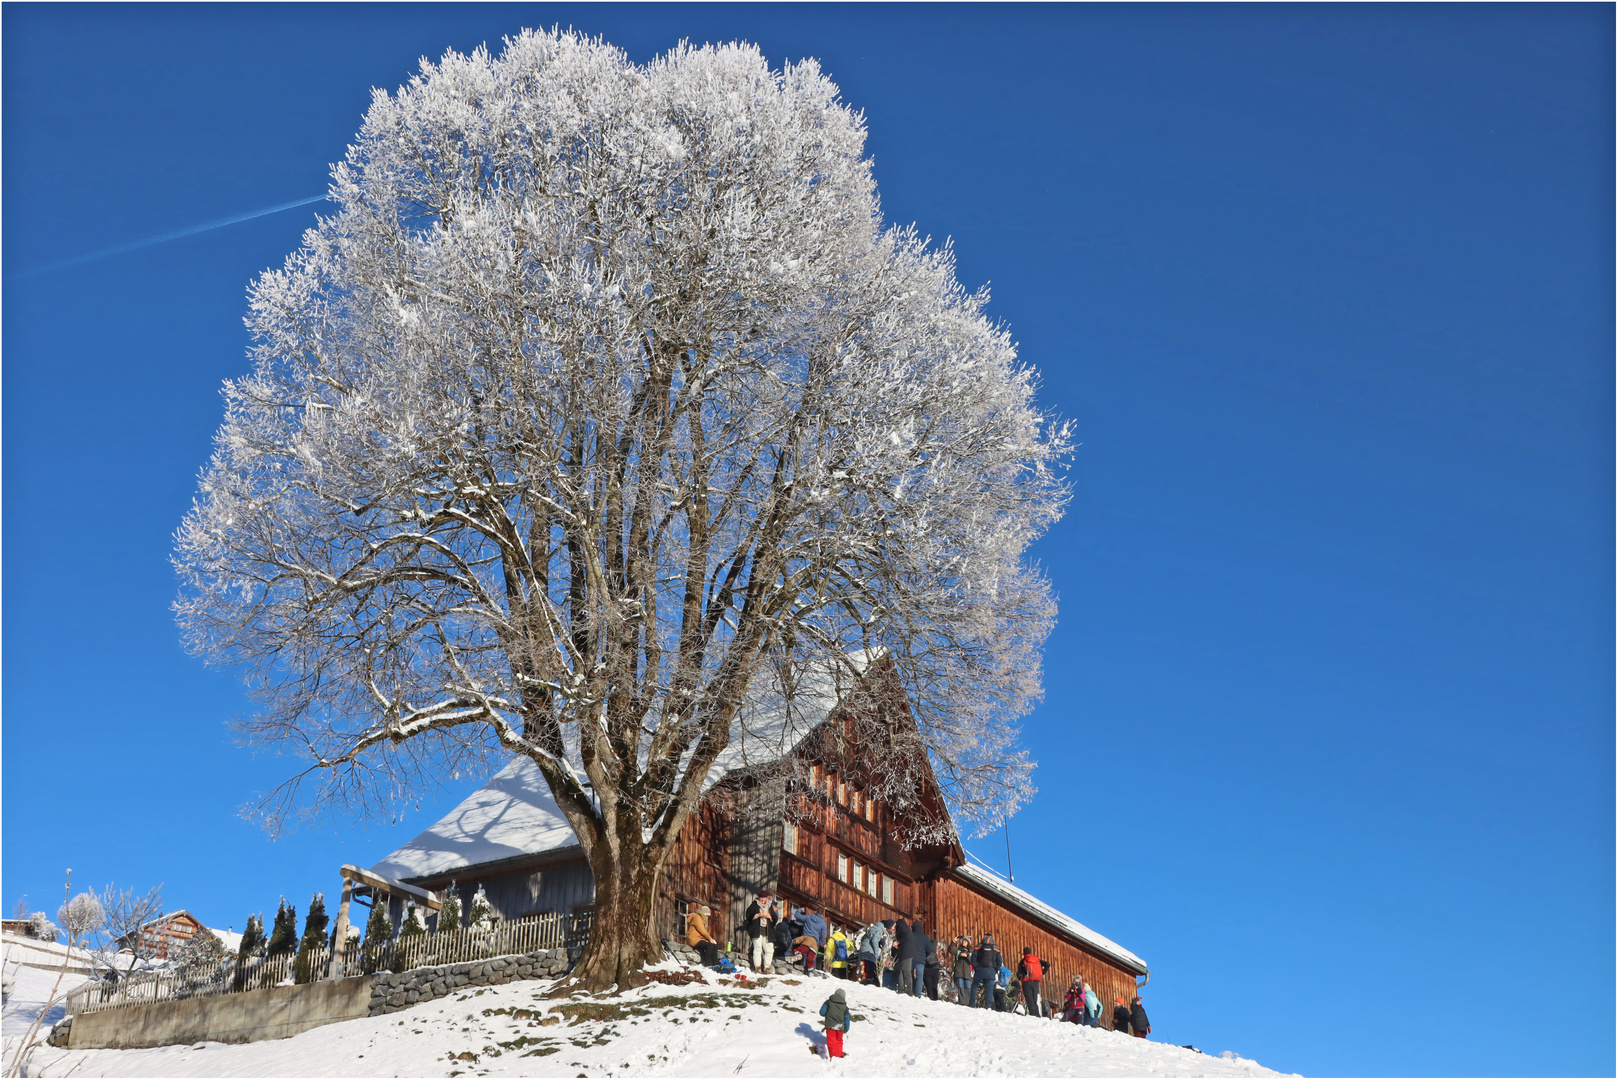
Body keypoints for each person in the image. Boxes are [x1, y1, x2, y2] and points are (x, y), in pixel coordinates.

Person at [744, 891, 778, 974]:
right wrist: (758, 915)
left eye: (764, 898)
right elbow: (748, 916)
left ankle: (767, 967)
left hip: (768, 931)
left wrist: (770, 917)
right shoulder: (754, 905)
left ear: (767, 898)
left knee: (769, 949)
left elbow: (775, 919)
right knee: (758, 948)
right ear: (759, 897)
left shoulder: (770, 906)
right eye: (761, 898)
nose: (763, 899)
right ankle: (758, 967)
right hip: (757, 930)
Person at [819, 987, 854, 1058]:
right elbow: (847, 1019)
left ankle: (834, 1057)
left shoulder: (828, 1002)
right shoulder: (845, 1007)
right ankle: (839, 1056)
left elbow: (822, 1012)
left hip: (830, 1026)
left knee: (831, 1041)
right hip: (840, 1027)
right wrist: (846, 1028)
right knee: (839, 1041)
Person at [971, 934, 1001, 1009]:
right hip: (991, 971)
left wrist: (976, 968)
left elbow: (973, 958)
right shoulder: (996, 948)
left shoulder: (978, 946)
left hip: (980, 970)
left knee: (974, 986)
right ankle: (988, 1005)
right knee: (989, 989)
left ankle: (972, 1003)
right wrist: (995, 970)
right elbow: (999, 961)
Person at [1016, 947, 1044, 1018]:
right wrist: (1042, 973)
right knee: (1034, 999)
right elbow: (1047, 964)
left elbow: (1019, 973)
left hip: (1026, 981)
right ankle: (1037, 1014)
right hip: (1035, 981)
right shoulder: (1036, 960)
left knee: (1029, 998)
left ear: (1024, 953)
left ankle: (1033, 1015)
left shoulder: (1023, 961)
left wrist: (1020, 977)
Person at [892, 918, 917, 994]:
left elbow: (905, 938)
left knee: (906, 971)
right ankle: (904, 989)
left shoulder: (901, 927)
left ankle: (906, 990)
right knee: (903, 970)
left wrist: (898, 942)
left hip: (905, 953)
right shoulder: (906, 928)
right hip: (907, 952)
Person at [950, 936, 974, 1006]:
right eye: (963, 941)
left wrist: (967, 956)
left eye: (965, 941)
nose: (964, 942)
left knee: (968, 987)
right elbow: (950, 949)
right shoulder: (958, 951)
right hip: (959, 972)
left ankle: (968, 1002)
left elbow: (972, 961)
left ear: (968, 943)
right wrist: (954, 941)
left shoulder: (971, 952)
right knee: (961, 987)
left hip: (967, 973)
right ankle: (962, 1002)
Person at [923, 930, 942, 1000]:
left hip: (927, 968)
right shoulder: (933, 945)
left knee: (929, 987)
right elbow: (935, 941)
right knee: (934, 987)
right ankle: (935, 1000)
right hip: (935, 967)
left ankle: (932, 1000)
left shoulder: (924, 946)